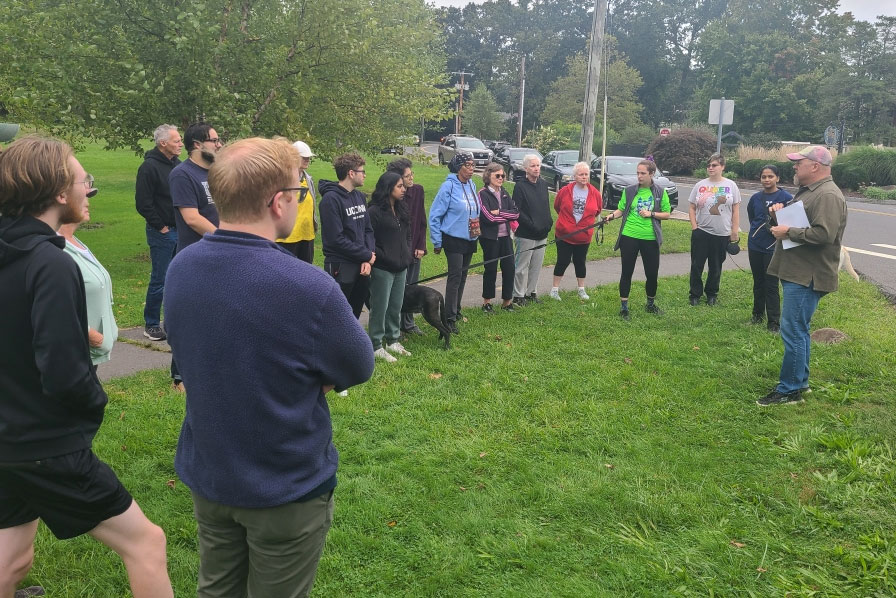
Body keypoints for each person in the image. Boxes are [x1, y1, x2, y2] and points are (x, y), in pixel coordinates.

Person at [164, 138, 375, 596]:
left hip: (210, 473)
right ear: (279, 201)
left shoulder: (182, 266)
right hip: (284, 484)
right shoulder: (308, 286)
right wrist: (314, 377)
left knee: (216, 589)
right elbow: (358, 366)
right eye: (298, 193)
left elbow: (193, 342)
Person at [0, 136, 172, 598]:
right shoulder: (51, 264)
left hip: (8, 441)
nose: (88, 191)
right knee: (147, 543)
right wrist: (93, 401)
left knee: (12, 560)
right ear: (59, 192)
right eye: (84, 181)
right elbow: (64, 373)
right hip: (44, 444)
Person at [757, 146, 847, 407]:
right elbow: (805, 224)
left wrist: (789, 232)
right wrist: (779, 217)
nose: (794, 166)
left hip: (808, 275)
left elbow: (824, 235)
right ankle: (800, 382)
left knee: (793, 330)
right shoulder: (811, 191)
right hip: (799, 271)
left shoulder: (828, 195)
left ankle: (790, 390)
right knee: (799, 329)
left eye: (799, 162)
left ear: (815, 166)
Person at [167, 122, 221, 391]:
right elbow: (191, 218)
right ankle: (180, 377)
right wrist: (224, 237)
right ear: (197, 144)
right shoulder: (183, 174)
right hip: (195, 256)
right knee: (190, 316)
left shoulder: (217, 173)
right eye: (214, 140)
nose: (219, 144)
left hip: (220, 253)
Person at [59, 185, 118, 366]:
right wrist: (94, 337)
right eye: (83, 197)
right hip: (74, 356)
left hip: (90, 355)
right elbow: (57, 306)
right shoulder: (57, 249)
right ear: (62, 201)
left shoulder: (76, 242)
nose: (88, 203)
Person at [606, 159, 672, 320]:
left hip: (650, 238)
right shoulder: (629, 191)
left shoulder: (660, 192)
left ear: (651, 174)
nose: (639, 176)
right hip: (629, 235)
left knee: (652, 273)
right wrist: (610, 216)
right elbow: (622, 209)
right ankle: (624, 307)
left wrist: (652, 214)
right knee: (626, 272)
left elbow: (667, 213)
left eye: (643, 173)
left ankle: (650, 304)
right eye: (638, 173)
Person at [135, 124, 182, 341]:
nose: (180, 143)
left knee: (177, 278)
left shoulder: (177, 165)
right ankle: (151, 324)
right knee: (160, 279)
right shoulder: (149, 167)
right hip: (162, 232)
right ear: (163, 143)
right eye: (176, 140)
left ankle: (173, 322)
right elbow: (143, 203)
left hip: (180, 230)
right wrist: (160, 226)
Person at [318, 152, 376, 319]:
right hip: (341, 266)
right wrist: (365, 254)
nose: (364, 175)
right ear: (351, 173)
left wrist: (367, 257)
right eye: (362, 171)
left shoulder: (359, 196)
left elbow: (368, 229)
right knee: (338, 316)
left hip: (362, 265)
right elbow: (336, 239)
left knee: (354, 314)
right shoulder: (330, 200)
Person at [429, 153, 480, 333]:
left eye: (473, 165)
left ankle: (456, 309)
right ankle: (448, 318)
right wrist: (437, 240)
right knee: (455, 277)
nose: (471, 168)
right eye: (468, 165)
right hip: (453, 238)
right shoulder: (448, 186)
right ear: (458, 167)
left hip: (470, 237)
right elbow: (435, 215)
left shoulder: (472, 184)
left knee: (463, 276)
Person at [367, 172, 413, 362]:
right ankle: (376, 343)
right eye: (399, 186)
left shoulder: (402, 209)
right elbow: (369, 239)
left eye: (403, 186)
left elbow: (407, 235)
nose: (403, 189)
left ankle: (393, 339)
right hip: (383, 268)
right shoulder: (374, 212)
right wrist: (383, 256)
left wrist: (407, 253)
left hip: (401, 267)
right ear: (388, 188)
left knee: (395, 305)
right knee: (380, 306)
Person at [687, 152, 741, 306]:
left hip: (722, 233)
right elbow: (691, 207)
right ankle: (695, 294)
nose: (710, 168)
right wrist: (694, 227)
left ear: (722, 167)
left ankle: (712, 294)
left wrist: (734, 230)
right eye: (709, 165)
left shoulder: (731, 186)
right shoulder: (700, 185)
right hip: (702, 231)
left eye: (714, 165)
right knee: (697, 265)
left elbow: (736, 210)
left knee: (716, 266)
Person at [747, 165, 792, 333]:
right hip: (755, 245)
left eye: (770, 176)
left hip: (773, 247)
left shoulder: (786, 198)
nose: (767, 180)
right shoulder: (755, 198)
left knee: (771, 284)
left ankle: (773, 322)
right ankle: (757, 315)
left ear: (777, 178)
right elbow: (752, 217)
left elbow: (790, 223)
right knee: (758, 282)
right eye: (764, 176)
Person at [549, 161, 602, 301]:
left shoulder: (595, 193)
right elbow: (557, 206)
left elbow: (597, 211)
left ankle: (581, 289)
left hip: (584, 236)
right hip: (564, 234)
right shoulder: (565, 191)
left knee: (580, 261)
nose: (584, 177)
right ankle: (554, 290)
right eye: (581, 174)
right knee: (563, 260)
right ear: (575, 176)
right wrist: (568, 223)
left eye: (586, 174)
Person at [386, 157, 427, 336]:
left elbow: (421, 221)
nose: (412, 178)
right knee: (396, 289)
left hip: (414, 248)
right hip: (397, 251)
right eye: (407, 176)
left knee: (412, 286)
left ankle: (408, 323)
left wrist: (421, 245)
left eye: (412, 174)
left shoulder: (417, 191)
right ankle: (393, 326)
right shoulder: (390, 196)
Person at [477, 162, 519, 312]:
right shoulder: (482, 194)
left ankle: (507, 302)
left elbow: (515, 213)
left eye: (503, 176)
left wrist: (499, 212)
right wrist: (504, 215)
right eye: (498, 175)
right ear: (488, 176)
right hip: (490, 238)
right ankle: (486, 302)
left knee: (509, 268)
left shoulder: (505, 193)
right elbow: (488, 218)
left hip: (506, 236)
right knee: (491, 269)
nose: (501, 178)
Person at [512, 154, 552, 306]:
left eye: (538, 165)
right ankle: (518, 295)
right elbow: (517, 210)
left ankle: (531, 292)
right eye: (533, 166)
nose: (536, 169)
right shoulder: (520, 186)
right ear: (526, 169)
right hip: (526, 233)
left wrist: (548, 221)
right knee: (522, 267)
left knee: (536, 265)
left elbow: (545, 206)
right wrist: (531, 224)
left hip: (542, 232)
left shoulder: (543, 184)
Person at [275, 140, 317, 263]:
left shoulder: (308, 179)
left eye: (308, 157)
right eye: (304, 157)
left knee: (306, 272)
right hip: (287, 239)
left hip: (307, 235)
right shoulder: (282, 179)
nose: (307, 159)